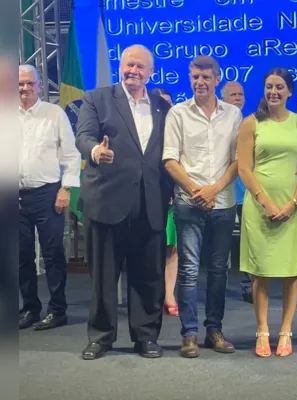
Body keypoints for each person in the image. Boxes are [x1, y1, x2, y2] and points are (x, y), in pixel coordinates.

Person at [76, 44, 173, 360]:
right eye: (129, 65)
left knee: (148, 274)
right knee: (104, 276)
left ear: (150, 73)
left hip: (151, 202)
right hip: (107, 200)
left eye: (140, 67)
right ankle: (101, 337)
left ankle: (145, 337)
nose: (133, 71)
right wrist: (95, 151)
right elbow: (84, 136)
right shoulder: (96, 98)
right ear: (121, 66)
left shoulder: (162, 106)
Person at [163, 55, 241, 358]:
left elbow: (238, 160)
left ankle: (214, 330)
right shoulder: (178, 114)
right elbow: (170, 159)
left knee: (219, 270)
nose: (200, 82)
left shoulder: (233, 114)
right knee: (190, 271)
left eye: (206, 77)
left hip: (223, 203)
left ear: (217, 79)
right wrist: (198, 191)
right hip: (188, 202)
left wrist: (214, 190)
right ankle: (190, 334)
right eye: (195, 77)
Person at [238, 68, 297, 358]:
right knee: (262, 271)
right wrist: (266, 203)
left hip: (292, 207)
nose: (273, 92)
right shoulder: (251, 123)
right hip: (259, 207)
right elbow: (244, 167)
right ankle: (262, 330)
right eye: (269, 86)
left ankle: (285, 331)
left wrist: (293, 203)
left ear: (290, 91)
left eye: (279, 87)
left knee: (292, 271)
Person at [18, 64, 80, 331]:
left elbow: (71, 155)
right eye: (19, 84)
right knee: (21, 256)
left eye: (30, 83)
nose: (24, 88)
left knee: (53, 254)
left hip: (49, 194)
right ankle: (30, 308)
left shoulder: (54, 114)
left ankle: (57, 310)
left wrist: (66, 189)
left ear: (40, 85)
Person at [219, 81, 253, 303]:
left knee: (249, 242)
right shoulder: (218, 124)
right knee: (221, 244)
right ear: (223, 98)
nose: (238, 97)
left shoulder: (251, 123)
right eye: (233, 94)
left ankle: (249, 286)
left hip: (248, 192)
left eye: (241, 94)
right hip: (224, 192)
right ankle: (218, 284)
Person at [152, 87, 179, 317]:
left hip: (173, 194)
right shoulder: (143, 128)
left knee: (171, 248)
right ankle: (152, 294)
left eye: (167, 103)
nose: (164, 107)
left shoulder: (178, 128)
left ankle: (169, 294)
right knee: (149, 249)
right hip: (146, 196)